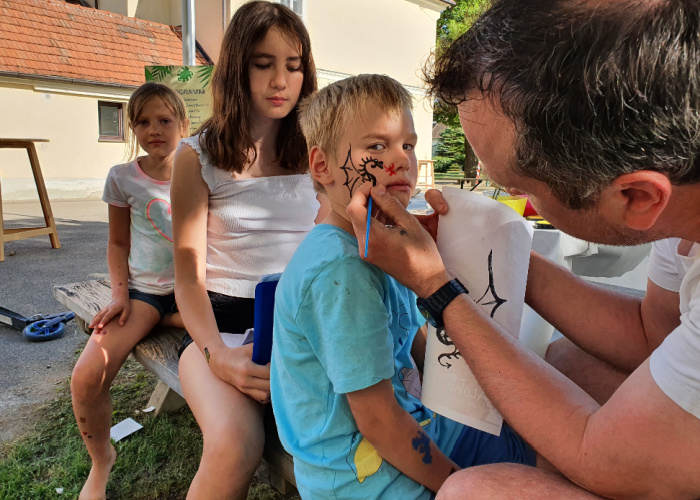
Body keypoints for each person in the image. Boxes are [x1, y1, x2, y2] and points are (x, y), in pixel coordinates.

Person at [345, 0, 700, 498]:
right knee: (564, 362)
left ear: (637, 197)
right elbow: (652, 332)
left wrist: (438, 289)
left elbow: (598, 456)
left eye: (522, 188)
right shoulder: (683, 198)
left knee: (471, 492)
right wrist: (480, 247)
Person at [270, 74, 535, 500]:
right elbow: (378, 421)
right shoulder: (343, 269)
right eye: (377, 146)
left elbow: (416, 342)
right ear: (322, 166)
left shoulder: (382, 243)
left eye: (408, 145)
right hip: (363, 477)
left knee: (528, 435)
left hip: (416, 423)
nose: (402, 159)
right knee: (531, 466)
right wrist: (457, 484)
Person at [170, 2, 322, 498]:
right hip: (223, 332)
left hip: (308, 330)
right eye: (263, 64)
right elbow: (188, 277)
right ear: (237, 67)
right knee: (236, 445)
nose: (281, 81)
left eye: (294, 66)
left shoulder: (318, 152)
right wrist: (216, 356)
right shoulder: (197, 156)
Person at [70, 82, 188, 500]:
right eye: (142, 122)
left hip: (201, 293)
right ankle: (101, 461)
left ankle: (171, 319)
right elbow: (118, 243)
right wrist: (120, 295)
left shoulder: (204, 171)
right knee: (87, 376)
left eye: (164, 120)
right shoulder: (123, 178)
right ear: (132, 128)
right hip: (145, 294)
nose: (154, 129)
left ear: (183, 123)